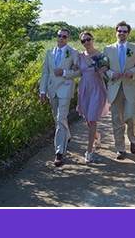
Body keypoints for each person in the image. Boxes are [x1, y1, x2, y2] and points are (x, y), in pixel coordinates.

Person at [102, 21, 135, 160]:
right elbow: (102, 67)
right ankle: (120, 148)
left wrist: (132, 72)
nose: (122, 33)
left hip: (131, 86)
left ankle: (132, 139)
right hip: (115, 87)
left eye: (125, 31)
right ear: (116, 32)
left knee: (131, 115)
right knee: (116, 119)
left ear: (128, 33)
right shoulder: (108, 49)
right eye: (119, 31)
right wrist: (110, 74)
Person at [39, 28, 81, 166]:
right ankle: (67, 135)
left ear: (68, 38)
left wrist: (63, 72)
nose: (61, 38)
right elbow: (45, 72)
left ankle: (59, 153)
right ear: (56, 37)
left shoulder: (73, 53)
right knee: (57, 119)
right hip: (52, 90)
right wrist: (42, 91)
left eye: (64, 36)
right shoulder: (49, 52)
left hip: (65, 89)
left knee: (61, 117)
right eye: (59, 36)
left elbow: (79, 71)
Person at [75, 31, 109, 163]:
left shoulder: (101, 55)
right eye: (83, 41)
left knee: (93, 117)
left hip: (97, 87)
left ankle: (89, 150)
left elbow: (106, 70)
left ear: (93, 40)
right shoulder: (80, 56)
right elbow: (76, 69)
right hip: (84, 87)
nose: (86, 42)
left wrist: (104, 68)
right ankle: (96, 136)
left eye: (88, 39)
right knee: (87, 119)